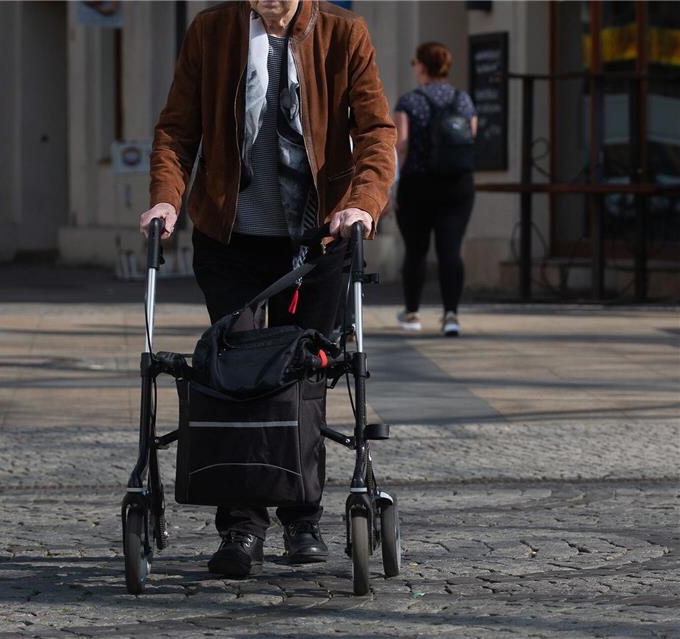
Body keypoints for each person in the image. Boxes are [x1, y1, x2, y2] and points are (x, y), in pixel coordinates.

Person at [140, 0, 395, 578]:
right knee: (237, 373)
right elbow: (177, 130)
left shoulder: (343, 32)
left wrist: (362, 203)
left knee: (306, 368)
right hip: (231, 239)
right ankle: (241, 524)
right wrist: (166, 195)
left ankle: (302, 516)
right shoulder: (211, 30)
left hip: (320, 239)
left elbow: (376, 132)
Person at [393, 42, 477, 336]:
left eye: (414, 62)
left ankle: (412, 313)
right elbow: (470, 138)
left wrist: (394, 185)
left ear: (422, 66)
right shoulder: (463, 100)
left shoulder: (409, 102)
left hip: (418, 184)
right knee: (450, 250)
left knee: (416, 251)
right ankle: (451, 315)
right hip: (457, 184)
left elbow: (401, 145)